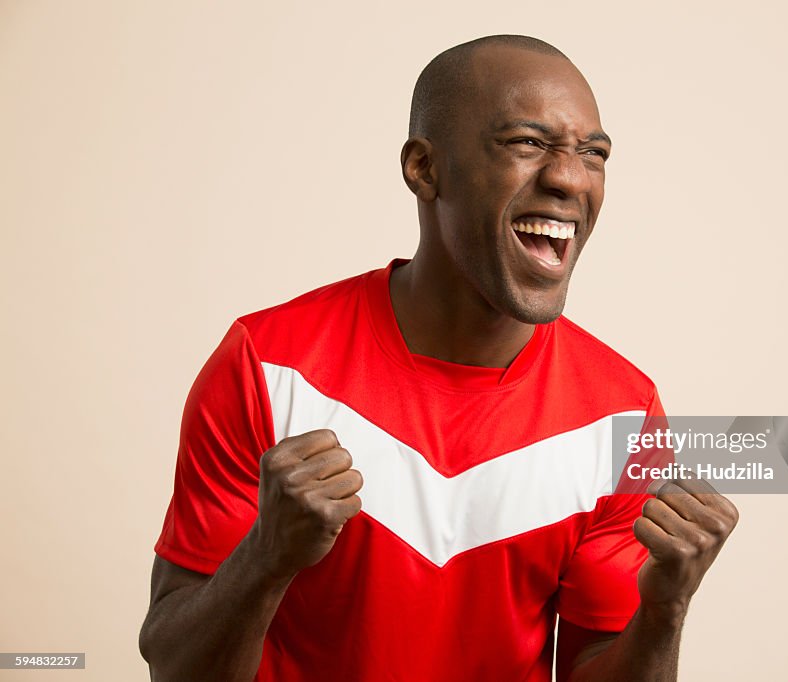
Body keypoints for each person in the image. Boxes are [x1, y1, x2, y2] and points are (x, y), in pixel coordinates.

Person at [139, 34, 738, 682]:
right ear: (425, 168)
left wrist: (666, 610)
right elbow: (176, 669)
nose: (569, 177)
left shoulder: (624, 416)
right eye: (527, 143)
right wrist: (266, 557)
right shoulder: (266, 367)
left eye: (593, 153)